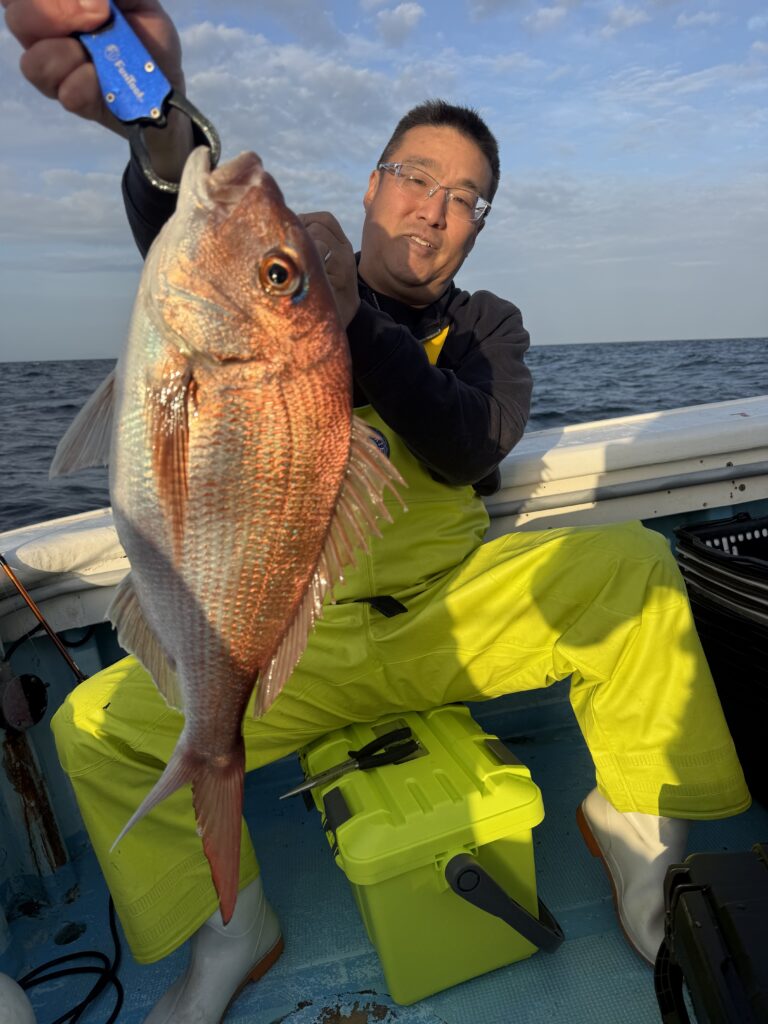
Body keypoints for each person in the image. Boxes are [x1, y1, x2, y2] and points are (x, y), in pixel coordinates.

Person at [3, 2, 751, 1022]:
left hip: (451, 623)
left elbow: (469, 440)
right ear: (371, 184)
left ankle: (636, 830)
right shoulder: (283, 286)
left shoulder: (486, 327)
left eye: (466, 198)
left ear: (478, 226)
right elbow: (185, 228)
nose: (434, 211)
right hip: (296, 651)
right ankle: (233, 927)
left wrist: (348, 323)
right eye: (415, 177)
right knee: (95, 727)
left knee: (632, 568)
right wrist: (155, 119)